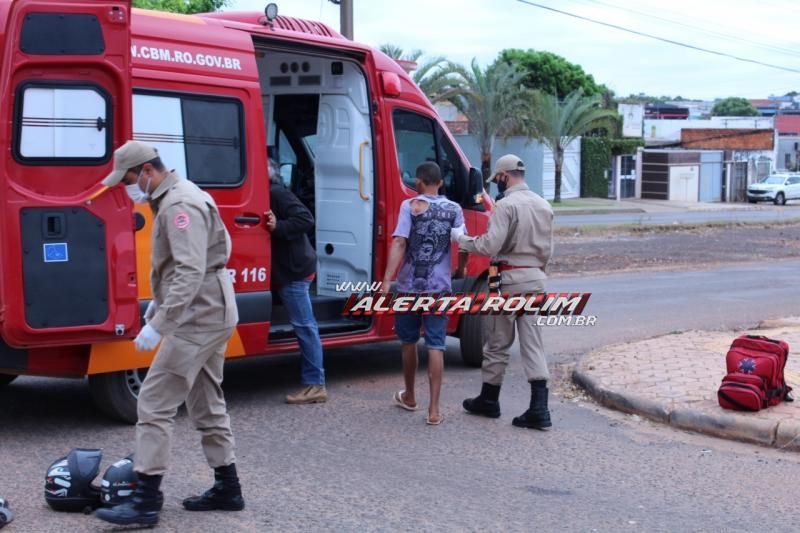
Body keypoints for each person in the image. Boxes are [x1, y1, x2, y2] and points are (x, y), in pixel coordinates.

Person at [96, 140, 243, 526]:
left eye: (129, 179)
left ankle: (145, 501)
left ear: (146, 170)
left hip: (198, 316)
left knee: (154, 402)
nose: (129, 187)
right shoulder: (179, 194)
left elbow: (190, 271)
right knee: (206, 401)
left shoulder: (179, 204)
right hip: (210, 310)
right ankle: (229, 488)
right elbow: (184, 268)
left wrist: (160, 324)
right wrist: (159, 304)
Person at [455, 154, 555, 430]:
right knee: (533, 343)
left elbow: (489, 246)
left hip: (506, 278)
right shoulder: (544, 205)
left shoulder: (505, 205)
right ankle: (539, 408)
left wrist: (462, 240)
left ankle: (489, 399)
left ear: (504, 176)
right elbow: (549, 251)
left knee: (497, 340)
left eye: (497, 179)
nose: (496, 184)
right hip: (536, 279)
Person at [382, 161, 465, 425]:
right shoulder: (454, 209)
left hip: (408, 287)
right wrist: (461, 269)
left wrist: (386, 280)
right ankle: (434, 410)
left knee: (408, 343)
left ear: (418, 183)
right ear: (440, 183)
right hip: (439, 289)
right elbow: (463, 244)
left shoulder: (409, 206)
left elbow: (399, 241)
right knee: (436, 345)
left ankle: (409, 396)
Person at [266, 160, 327, 404]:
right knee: (304, 325)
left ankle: (316, 384)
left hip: (295, 270)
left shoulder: (277, 192)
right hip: (290, 269)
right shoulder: (270, 193)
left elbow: (305, 219)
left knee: (305, 326)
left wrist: (277, 226)